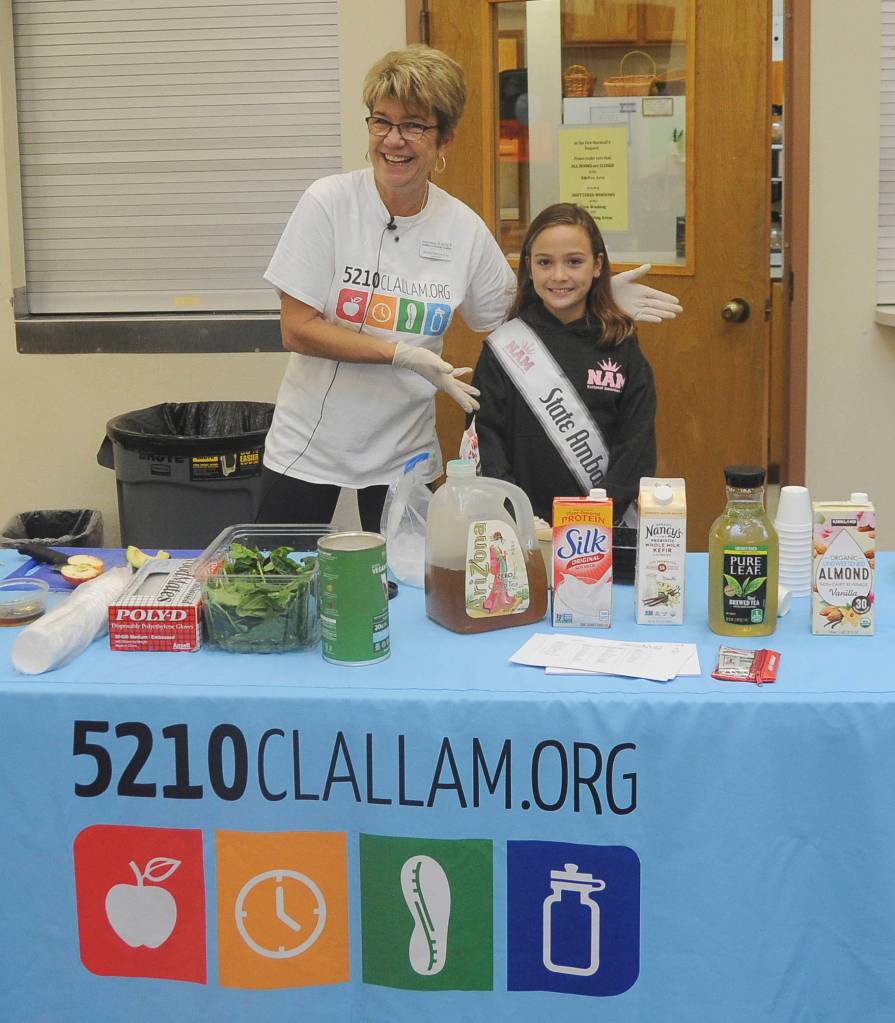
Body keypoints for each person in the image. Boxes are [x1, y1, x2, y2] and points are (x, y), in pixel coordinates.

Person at [258, 46, 678, 532]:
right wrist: (399, 353)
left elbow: (516, 316)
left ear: (444, 140)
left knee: (408, 588)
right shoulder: (327, 203)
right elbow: (297, 329)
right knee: (279, 582)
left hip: (404, 452)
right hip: (310, 442)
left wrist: (594, 297)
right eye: (382, 122)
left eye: (414, 125)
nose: (394, 141)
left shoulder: (461, 228)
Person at [470, 202, 657, 524]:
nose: (559, 276)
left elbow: (636, 448)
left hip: (602, 530)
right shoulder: (504, 349)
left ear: (597, 265)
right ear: (528, 266)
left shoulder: (622, 349)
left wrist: (598, 516)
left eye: (574, 262)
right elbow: (486, 443)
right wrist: (516, 514)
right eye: (545, 262)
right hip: (522, 527)